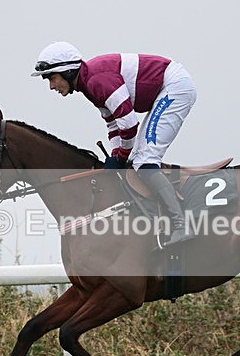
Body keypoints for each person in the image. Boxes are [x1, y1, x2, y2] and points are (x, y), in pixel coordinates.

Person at [31, 41, 197, 246]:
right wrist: (115, 154)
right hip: (167, 87)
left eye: (52, 78)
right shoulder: (87, 84)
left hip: (174, 87)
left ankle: (180, 224)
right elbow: (113, 124)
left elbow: (128, 124)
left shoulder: (96, 81)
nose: (51, 86)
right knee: (137, 160)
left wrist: (120, 157)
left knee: (144, 160)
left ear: (67, 71)